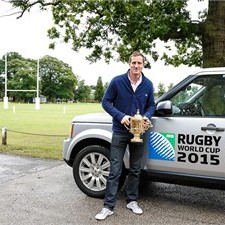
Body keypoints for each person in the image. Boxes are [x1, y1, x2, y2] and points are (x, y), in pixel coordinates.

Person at [95, 51, 156, 220]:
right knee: (115, 169)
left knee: (136, 169)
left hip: (139, 132)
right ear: (129, 63)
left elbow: (151, 105)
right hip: (120, 132)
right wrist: (121, 116)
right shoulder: (117, 81)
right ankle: (108, 206)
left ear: (143, 65)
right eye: (134, 63)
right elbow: (105, 102)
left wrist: (146, 117)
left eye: (140, 63)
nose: (137, 66)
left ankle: (132, 201)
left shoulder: (148, 84)